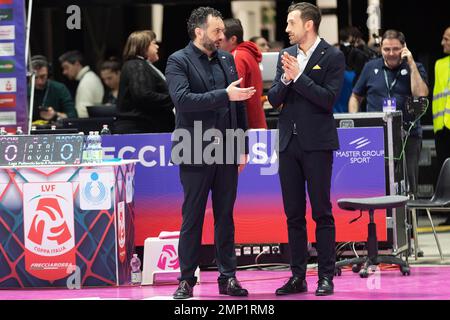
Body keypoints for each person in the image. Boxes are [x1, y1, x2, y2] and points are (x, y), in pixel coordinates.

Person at [165, 6, 255, 299]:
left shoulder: (228, 59)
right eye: (216, 31)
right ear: (198, 31)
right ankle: (186, 279)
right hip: (193, 147)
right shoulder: (178, 60)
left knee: (225, 217)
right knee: (191, 216)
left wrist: (242, 147)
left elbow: (238, 104)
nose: (221, 36)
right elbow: (183, 100)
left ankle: (228, 278)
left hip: (228, 147)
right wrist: (223, 95)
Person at [268, 2, 345, 296]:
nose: (286, 29)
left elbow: (326, 100)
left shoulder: (333, 56)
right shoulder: (286, 56)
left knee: (322, 213)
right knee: (293, 214)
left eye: (291, 23)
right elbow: (274, 99)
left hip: (317, 145)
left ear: (308, 25)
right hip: (289, 143)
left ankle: (326, 276)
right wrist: (287, 78)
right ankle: (297, 277)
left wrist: (299, 77)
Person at [349, 30, 429, 197]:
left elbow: (421, 95)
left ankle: (409, 221)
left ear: (404, 47)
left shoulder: (415, 67)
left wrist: (412, 64)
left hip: (408, 136)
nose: (391, 53)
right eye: (386, 49)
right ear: (380, 48)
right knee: (377, 184)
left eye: (396, 49)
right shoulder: (370, 67)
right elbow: (355, 97)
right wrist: (354, 122)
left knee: (409, 185)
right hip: (375, 137)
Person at [116, 30, 175, 133]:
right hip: (140, 131)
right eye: (154, 43)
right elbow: (143, 95)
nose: (157, 47)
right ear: (143, 46)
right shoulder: (136, 65)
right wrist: (175, 99)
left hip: (146, 128)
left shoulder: (142, 65)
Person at [221, 18, 267, 129]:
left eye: (221, 39)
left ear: (232, 39)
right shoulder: (247, 53)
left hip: (246, 125)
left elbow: (235, 92)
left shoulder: (237, 56)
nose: (217, 42)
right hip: (256, 122)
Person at [433, 26, 450, 225]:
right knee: (446, 173)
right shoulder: (439, 64)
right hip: (442, 128)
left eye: (446, 39)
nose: (442, 43)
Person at [28, 55, 77, 124]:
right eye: (35, 77)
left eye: (43, 76)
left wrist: (55, 114)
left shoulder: (59, 89)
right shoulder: (24, 91)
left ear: (48, 74)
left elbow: (73, 116)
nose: (39, 81)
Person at [59, 50, 104, 118]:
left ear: (77, 64)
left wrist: (60, 116)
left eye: (66, 67)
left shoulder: (87, 81)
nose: (64, 72)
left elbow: (83, 114)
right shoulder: (89, 77)